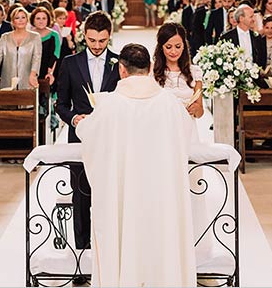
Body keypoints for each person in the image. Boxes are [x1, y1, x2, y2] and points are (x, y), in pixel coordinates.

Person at [76, 43, 196, 287]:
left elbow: (89, 135)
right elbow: (186, 138)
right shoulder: (169, 104)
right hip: (161, 196)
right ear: (150, 67)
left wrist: (80, 123)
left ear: (122, 70)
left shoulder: (109, 105)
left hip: (122, 195)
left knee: (120, 237)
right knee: (161, 239)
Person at [55, 11, 120, 251]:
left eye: (102, 41)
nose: (96, 46)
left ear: (109, 37)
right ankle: (82, 251)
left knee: (108, 195)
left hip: (111, 138)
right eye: (92, 40)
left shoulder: (119, 63)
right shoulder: (70, 63)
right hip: (80, 137)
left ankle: (107, 251)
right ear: (84, 36)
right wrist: (73, 119)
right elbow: (61, 104)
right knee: (81, 195)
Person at [0, 7, 41, 91]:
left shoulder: (35, 37)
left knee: (27, 103)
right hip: (7, 81)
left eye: (23, 17)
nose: (20, 20)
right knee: (7, 102)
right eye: (17, 18)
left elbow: (37, 58)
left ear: (27, 20)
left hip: (28, 82)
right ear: (13, 21)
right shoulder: (5, 37)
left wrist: (33, 75)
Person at [30, 7, 60, 85]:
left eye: (44, 18)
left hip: (48, 72)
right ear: (33, 20)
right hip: (31, 72)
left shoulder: (54, 35)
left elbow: (56, 55)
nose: (41, 21)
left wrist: (50, 72)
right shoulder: (29, 35)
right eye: (38, 18)